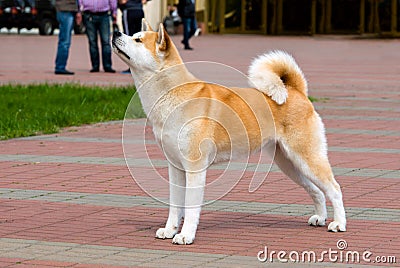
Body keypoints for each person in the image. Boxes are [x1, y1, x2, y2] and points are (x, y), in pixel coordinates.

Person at [79, 0, 117, 73]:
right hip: (89, 15)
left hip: (104, 15)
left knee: (106, 41)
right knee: (92, 42)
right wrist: (80, 10)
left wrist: (114, 12)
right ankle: (95, 66)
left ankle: (107, 66)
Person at [119, 0, 148, 74]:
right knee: (138, 39)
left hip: (129, 10)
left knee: (129, 39)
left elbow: (122, 2)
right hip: (138, 10)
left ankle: (132, 67)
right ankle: (139, 66)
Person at [54, 0, 82, 75]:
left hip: (69, 8)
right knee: (65, 41)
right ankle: (60, 67)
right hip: (65, 9)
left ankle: (60, 66)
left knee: (64, 40)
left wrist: (78, 10)